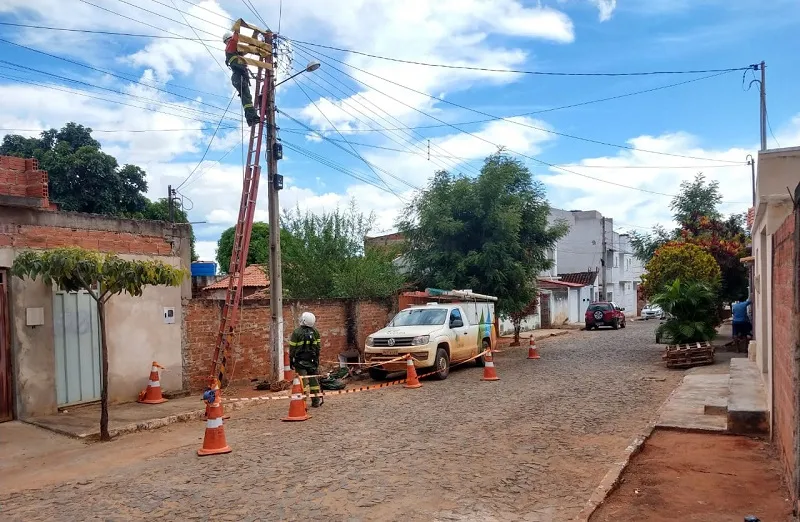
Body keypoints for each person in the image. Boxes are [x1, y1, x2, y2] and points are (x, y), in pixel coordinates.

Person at [223, 22, 260, 127]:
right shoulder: (229, 48)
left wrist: (255, 34)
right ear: (227, 41)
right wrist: (237, 27)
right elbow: (235, 39)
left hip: (240, 77)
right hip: (238, 76)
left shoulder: (237, 51)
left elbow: (250, 46)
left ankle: (251, 118)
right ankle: (251, 117)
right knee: (246, 98)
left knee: (247, 98)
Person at [289, 312, 323, 407]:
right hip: (312, 361)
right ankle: (316, 401)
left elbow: (292, 348)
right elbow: (318, 348)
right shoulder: (315, 332)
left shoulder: (296, 332)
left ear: (303, 320)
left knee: (301, 384)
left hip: (300, 362)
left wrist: (291, 359)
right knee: (314, 382)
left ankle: (302, 404)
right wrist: (316, 359)